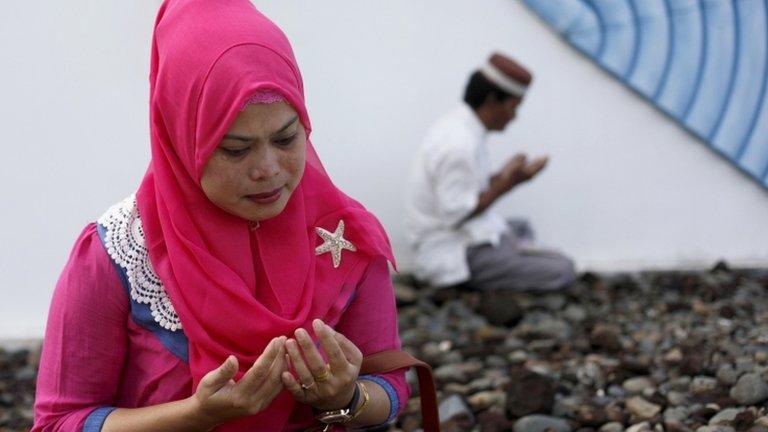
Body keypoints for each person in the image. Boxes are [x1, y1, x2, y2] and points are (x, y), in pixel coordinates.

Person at [32, 1, 407, 430]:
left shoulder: (343, 237)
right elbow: (59, 421)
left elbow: (391, 386)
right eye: (236, 148)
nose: (268, 168)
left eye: (286, 138)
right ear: (178, 135)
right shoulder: (118, 256)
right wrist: (197, 415)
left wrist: (349, 396)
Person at [405, 53, 576, 292]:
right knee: (564, 269)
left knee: (521, 226)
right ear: (492, 100)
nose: (514, 117)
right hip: (453, 252)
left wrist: (504, 176)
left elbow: (467, 188)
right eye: (513, 107)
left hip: (465, 239)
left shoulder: (462, 128)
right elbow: (454, 213)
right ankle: (492, 276)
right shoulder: (459, 144)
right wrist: (508, 184)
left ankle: (516, 258)